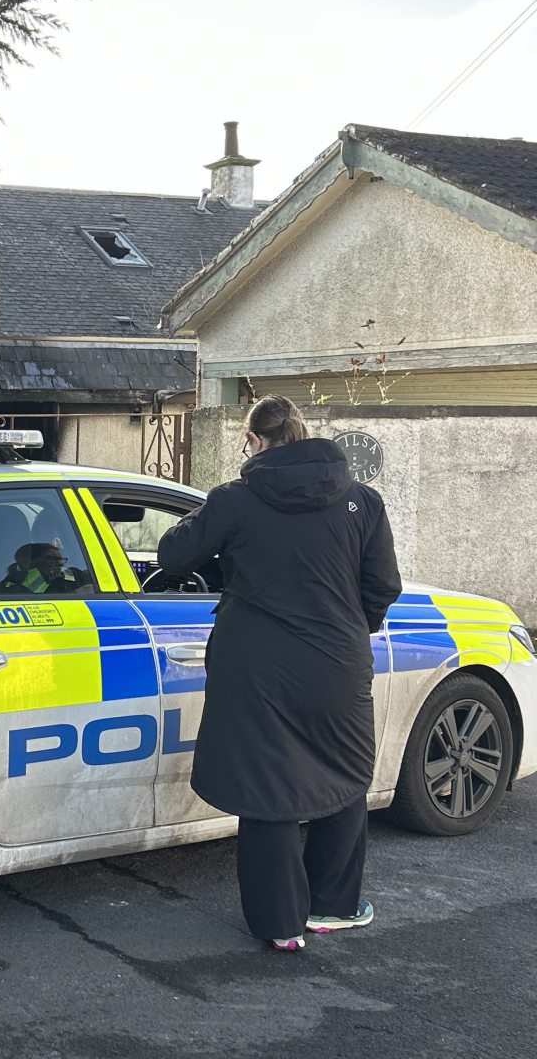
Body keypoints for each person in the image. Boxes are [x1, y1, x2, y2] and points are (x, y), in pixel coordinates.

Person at [157, 395, 402, 952]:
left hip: (256, 665)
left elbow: (173, 557)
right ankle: (333, 907)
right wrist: (344, 628)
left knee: (268, 785)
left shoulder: (236, 499)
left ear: (256, 441)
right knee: (344, 774)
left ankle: (280, 926)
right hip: (337, 663)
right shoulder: (363, 500)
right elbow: (383, 586)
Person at [0, 540, 92, 595]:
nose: (60, 564)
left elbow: (88, 575)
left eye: (60, 559)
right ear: (29, 561)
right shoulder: (12, 584)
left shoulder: (66, 574)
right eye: (52, 558)